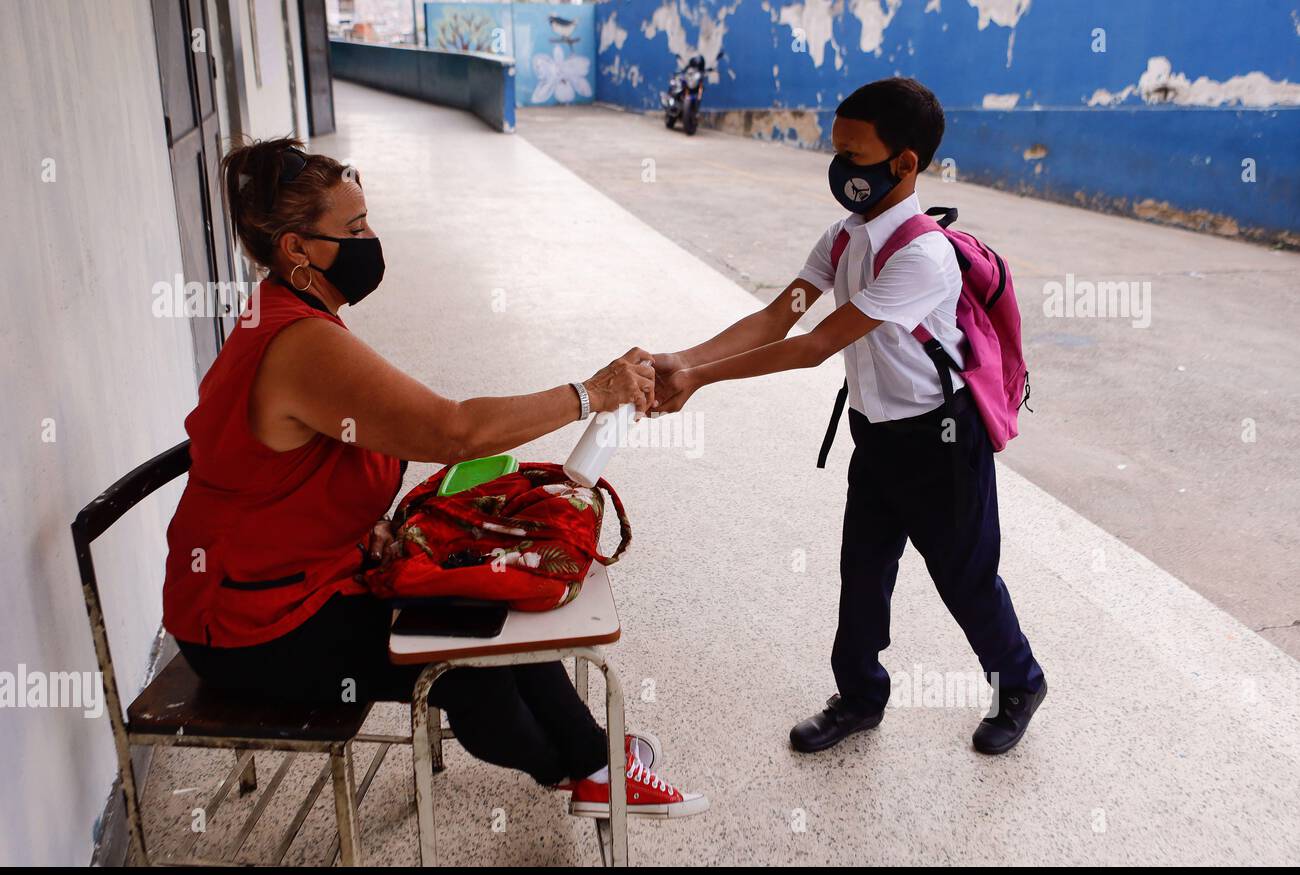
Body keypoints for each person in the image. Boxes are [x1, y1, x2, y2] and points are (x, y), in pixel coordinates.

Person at [162, 136, 707, 818]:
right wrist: (589, 393)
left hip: (296, 579)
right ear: (298, 250)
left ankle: (593, 760)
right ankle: (582, 767)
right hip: (256, 628)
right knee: (463, 662)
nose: (371, 240)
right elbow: (451, 430)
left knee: (485, 597)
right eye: (354, 229)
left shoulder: (289, 315)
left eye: (369, 222)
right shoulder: (299, 343)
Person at [651, 78, 1047, 756]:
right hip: (876, 435)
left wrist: (697, 380)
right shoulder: (842, 238)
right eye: (835, 150)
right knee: (863, 572)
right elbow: (781, 315)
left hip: (941, 440)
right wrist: (679, 358)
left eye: (853, 154)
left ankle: (1020, 680)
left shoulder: (922, 256)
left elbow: (810, 347)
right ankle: (861, 696)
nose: (840, 169)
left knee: (964, 577)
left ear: (905, 164)